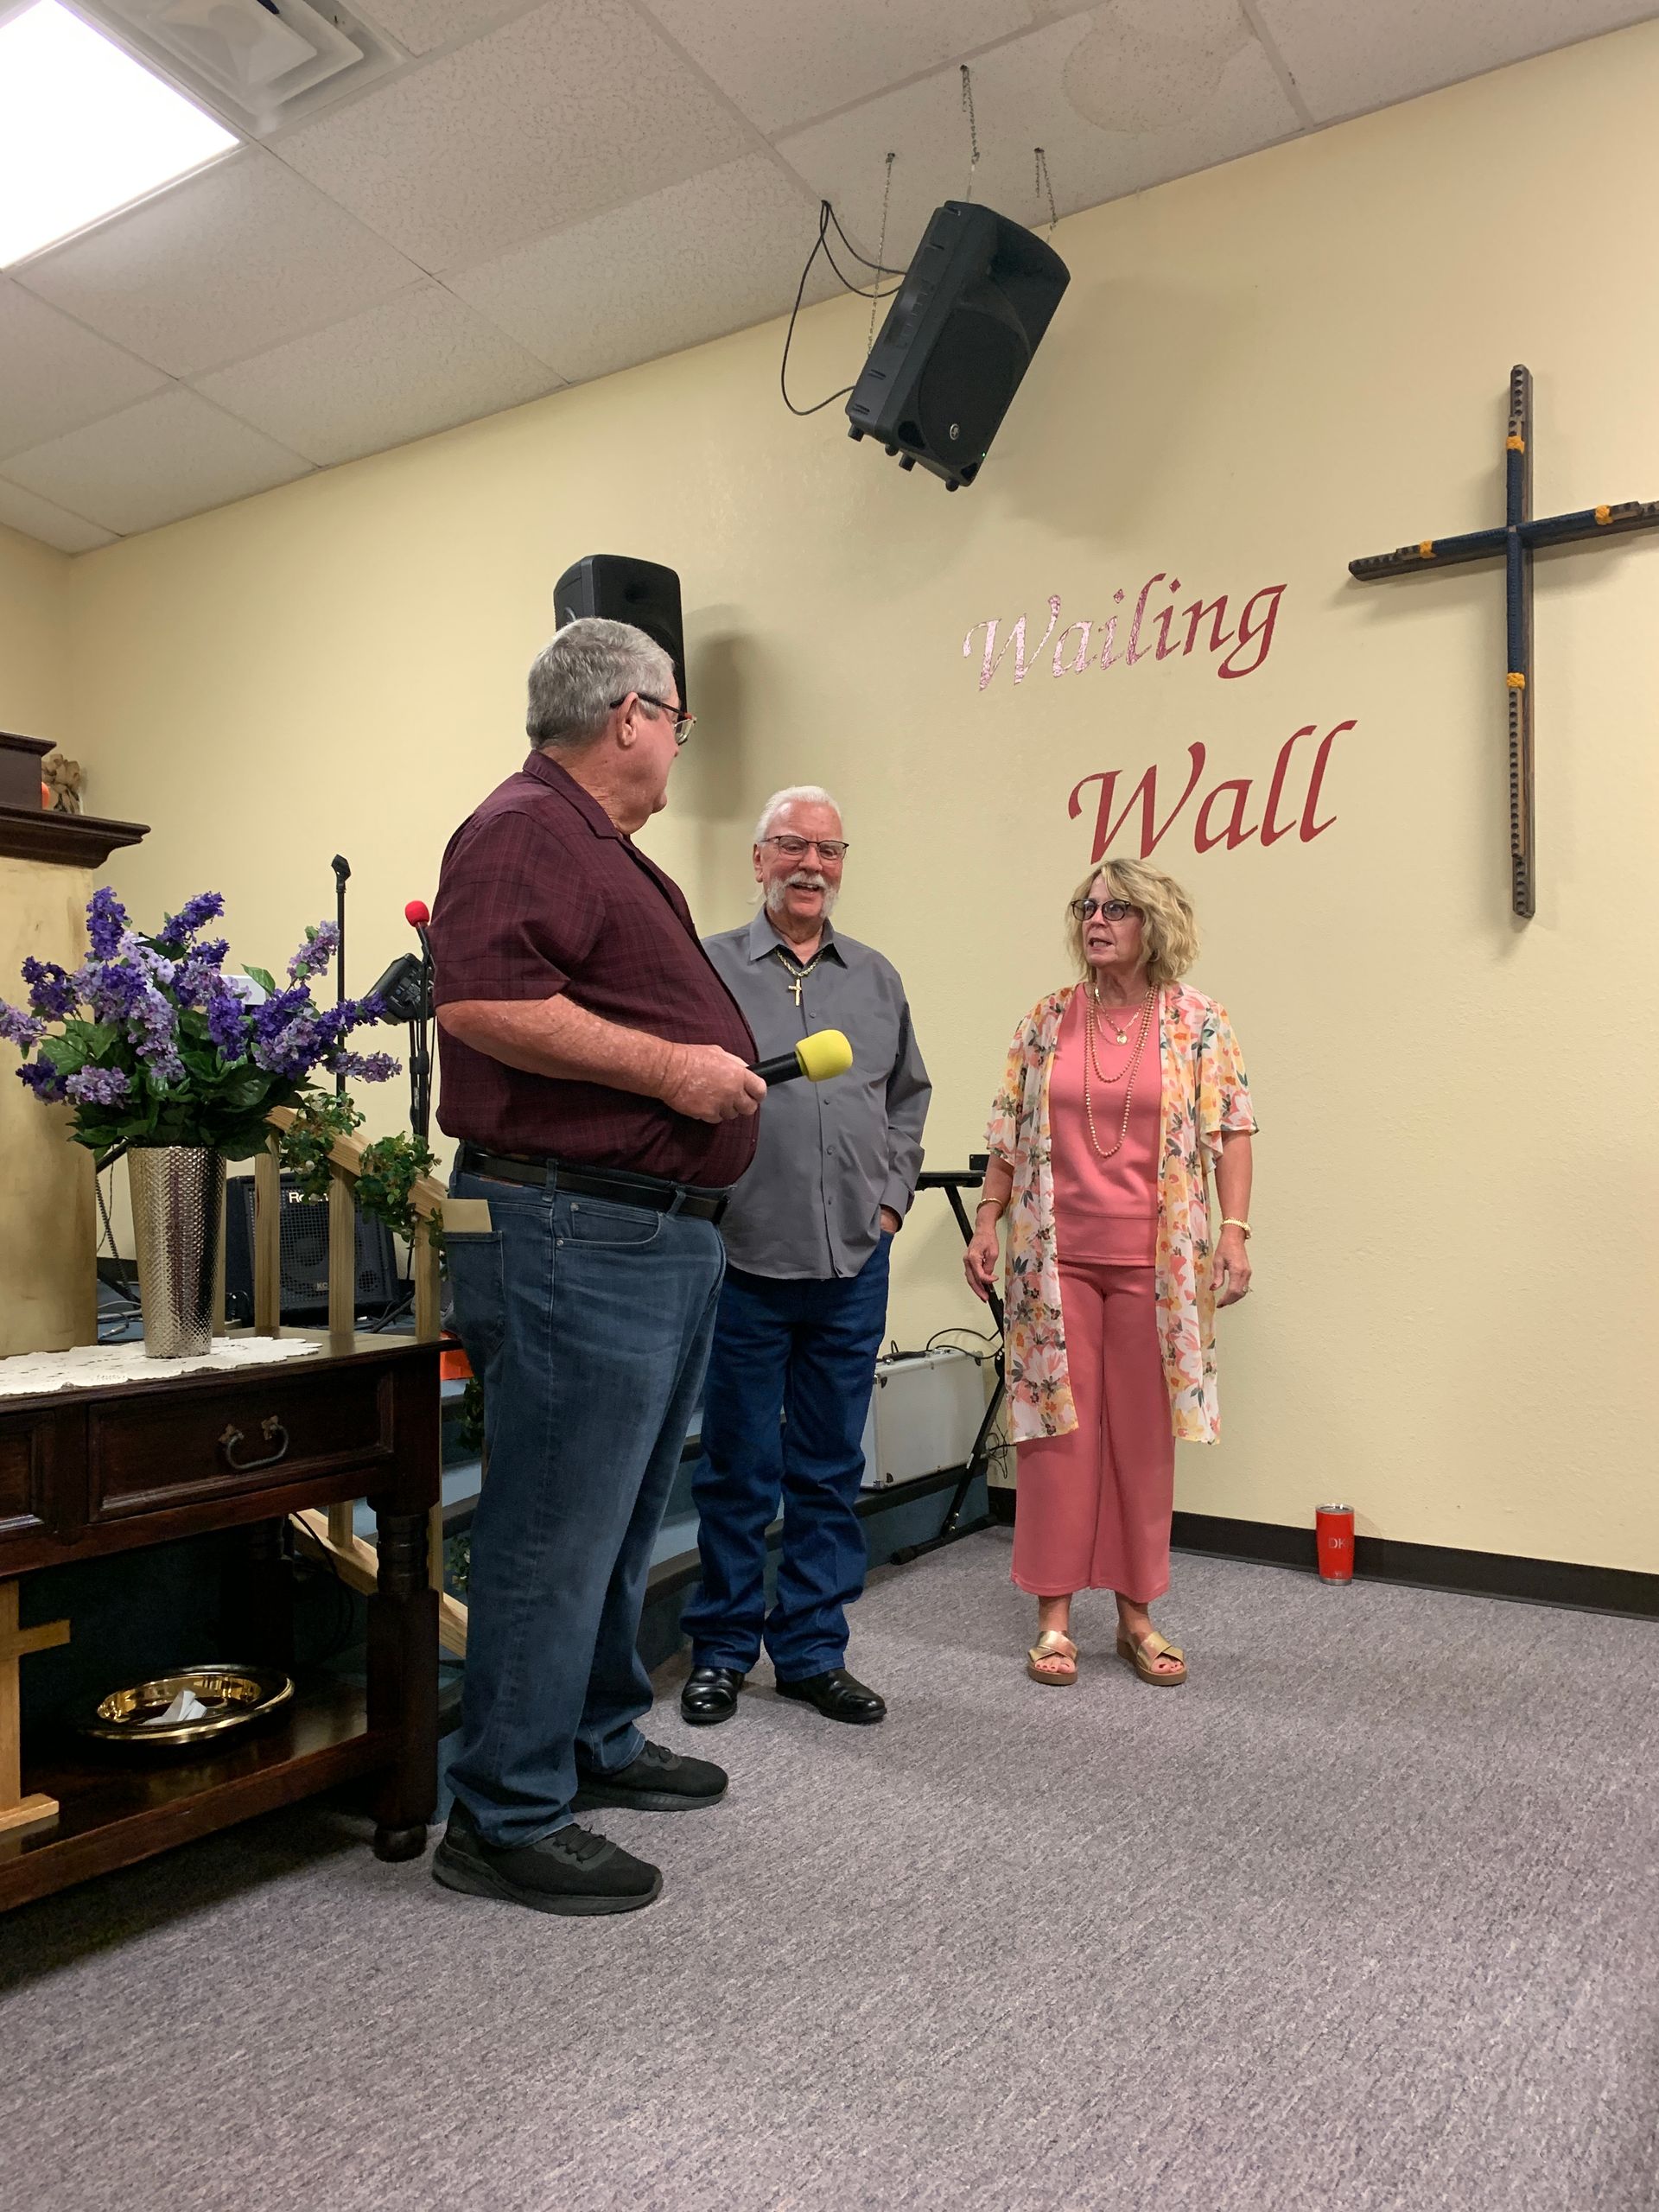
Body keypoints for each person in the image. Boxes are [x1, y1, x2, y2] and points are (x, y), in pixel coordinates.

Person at [426, 617, 765, 1917]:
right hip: (573, 1229)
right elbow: (486, 1004)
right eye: (678, 715)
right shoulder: (522, 827)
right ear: (630, 711)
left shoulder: (602, 850)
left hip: (650, 1229)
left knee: (619, 1522)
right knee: (555, 1530)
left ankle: (595, 1739)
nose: (681, 739)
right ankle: (506, 1813)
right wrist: (680, 1069)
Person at [963, 859, 1255, 1689]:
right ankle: (1053, 1620)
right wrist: (987, 1217)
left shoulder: (1199, 1021)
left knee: (1140, 1440)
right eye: (1086, 907)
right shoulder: (1046, 1020)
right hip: (1050, 1262)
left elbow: (1234, 1132)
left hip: (1158, 1268)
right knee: (1055, 1436)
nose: (1096, 920)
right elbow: (1006, 1129)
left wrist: (1234, 1234)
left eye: (1116, 908)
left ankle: (1136, 1615)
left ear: (1154, 922)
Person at [679, 786, 931, 1728]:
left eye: (828, 848)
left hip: (854, 1262)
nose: (811, 865)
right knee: (738, 1467)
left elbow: (908, 1096)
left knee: (828, 1467)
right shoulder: (704, 969)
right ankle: (723, 1649)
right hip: (742, 1258)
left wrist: (893, 1200)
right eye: (791, 846)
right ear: (758, 861)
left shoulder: (875, 977)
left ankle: (815, 1651)